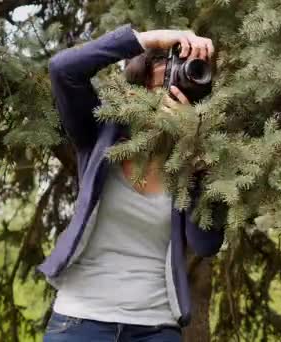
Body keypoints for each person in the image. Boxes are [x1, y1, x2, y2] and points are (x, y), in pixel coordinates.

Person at [38, 24, 224, 342]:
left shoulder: (193, 157)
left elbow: (206, 243)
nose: (172, 87)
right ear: (141, 80)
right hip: (80, 320)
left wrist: (192, 149)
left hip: (156, 327)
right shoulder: (98, 133)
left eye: (184, 76)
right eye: (166, 71)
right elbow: (62, 70)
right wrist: (147, 39)